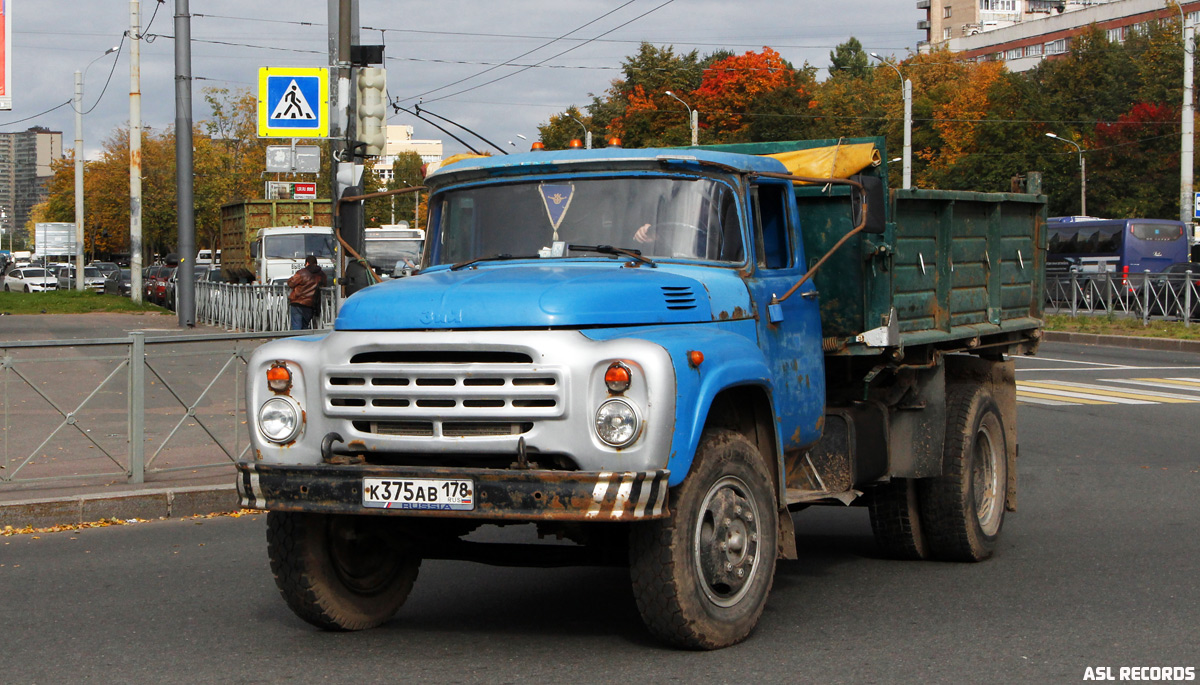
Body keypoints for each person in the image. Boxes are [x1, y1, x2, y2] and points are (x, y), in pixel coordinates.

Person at [287, 255, 326, 330]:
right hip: (311, 303)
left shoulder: (302, 272)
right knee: (305, 326)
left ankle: (297, 341)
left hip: (297, 302)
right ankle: (304, 340)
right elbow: (324, 285)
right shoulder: (321, 274)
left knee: (296, 326)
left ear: (307, 263)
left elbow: (291, 283)